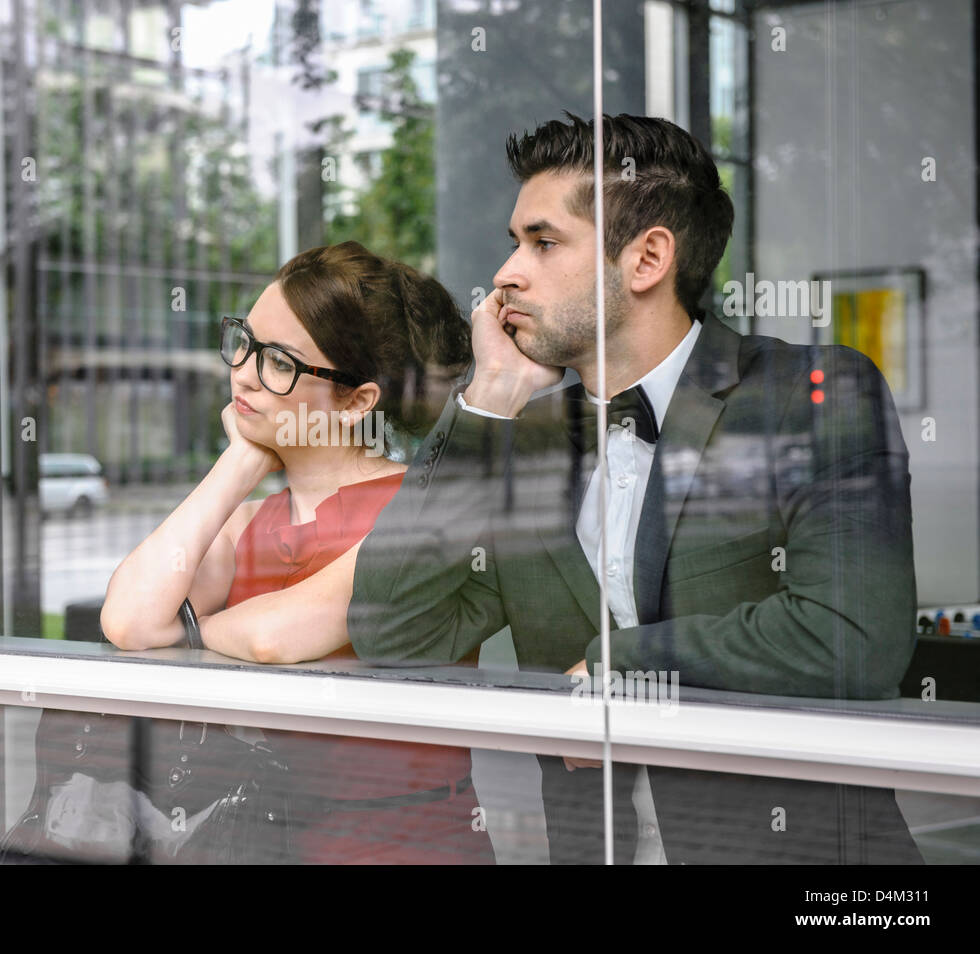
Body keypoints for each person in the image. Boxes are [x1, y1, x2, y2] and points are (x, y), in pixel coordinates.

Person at [347, 113, 924, 864]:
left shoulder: (812, 396)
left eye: (543, 242)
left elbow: (854, 638)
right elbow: (394, 629)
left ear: (647, 258)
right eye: (515, 242)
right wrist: (484, 401)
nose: (505, 273)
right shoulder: (519, 437)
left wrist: (620, 667)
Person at [101, 241, 495, 864]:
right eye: (246, 343)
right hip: (263, 834)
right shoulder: (250, 518)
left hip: (400, 842)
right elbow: (130, 620)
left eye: (279, 362)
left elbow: (272, 640)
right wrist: (239, 461)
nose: (244, 373)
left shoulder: (420, 509)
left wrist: (191, 631)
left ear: (357, 401)